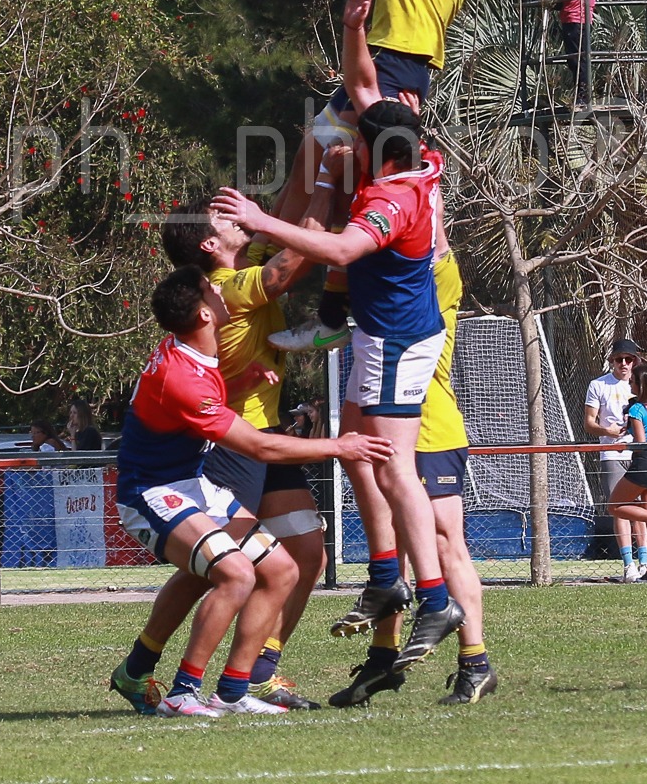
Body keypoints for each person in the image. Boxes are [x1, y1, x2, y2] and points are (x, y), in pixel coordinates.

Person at [213, 114, 462, 673]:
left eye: (359, 144)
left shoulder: (392, 200)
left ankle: (436, 599)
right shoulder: (420, 168)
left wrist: (259, 219)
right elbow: (374, 107)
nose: (349, 147)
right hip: (378, 336)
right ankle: (383, 579)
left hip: (397, 342)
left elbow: (343, 250)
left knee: (395, 468)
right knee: (357, 451)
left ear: (381, 153)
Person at [270, 0, 499, 352]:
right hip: (408, 56)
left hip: (397, 56)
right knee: (318, 151)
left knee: (351, 178)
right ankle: (269, 269)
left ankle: (326, 312)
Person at [111, 265, 394, 717]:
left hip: (192, 484)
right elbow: (259, 445)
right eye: (212, 289)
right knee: (236, 574)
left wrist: (241, 384)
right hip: (150, 494)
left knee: (282, 570)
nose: (222, 291)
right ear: (205, 314)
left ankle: (233, 690)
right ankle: (184, 691)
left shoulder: (195, 353)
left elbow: (203, 402)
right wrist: (339, 445)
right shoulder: (182, 375)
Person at [111, 175, 342, 711]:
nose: (239, 217)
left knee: (294, 559)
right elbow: (293, 258)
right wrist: (329, 178)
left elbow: (284, 216)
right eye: (224, 218)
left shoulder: (218, 305)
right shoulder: (226, 289)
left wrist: (314, 148)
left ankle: (246, 679)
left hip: (250, 432)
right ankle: (172, 680)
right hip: (227, 445)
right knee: (223, 571)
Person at [329, 220, 497, 707]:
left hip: (432, 431)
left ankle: (475, 664)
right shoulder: (378, 287)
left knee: (446, 543)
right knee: (395, 552)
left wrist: (418, 171)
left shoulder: (435, 276)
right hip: (385, 431)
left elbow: (437, 235)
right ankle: (383, 661)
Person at [584, 338, 643, 581]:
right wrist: (608, 432)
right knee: (619, 508)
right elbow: (589, 423)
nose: (624, 364)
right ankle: (628, 564)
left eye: (629, 360)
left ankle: (646, 561)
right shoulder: (598, 385)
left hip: (638, 453)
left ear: (635, 362)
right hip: (612, 452)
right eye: (619, 359)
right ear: (612, 361)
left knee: (641, 508)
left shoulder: (641, 385)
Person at [607, 363, 647, 581]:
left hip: (644, 463)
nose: (630, 383)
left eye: (632, 381)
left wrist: (627, 442)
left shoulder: (635, 409)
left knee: (614, 506)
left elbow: (641, 442)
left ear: (642, 385)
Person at [544, 0, 597, 106]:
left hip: (579, 18)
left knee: (580, 58)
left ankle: (584, 97)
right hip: (568, 18)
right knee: (573, 59)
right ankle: (580, 95)